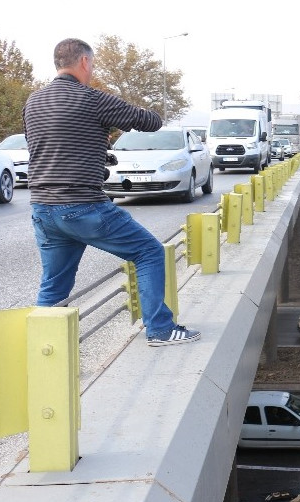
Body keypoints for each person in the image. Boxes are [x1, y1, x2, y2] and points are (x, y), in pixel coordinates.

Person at [24, 38, 200, 346]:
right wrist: (113, 117)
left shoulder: (33, 102)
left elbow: (49, 145)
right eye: (91, 65)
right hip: (82, 205)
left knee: (54, 285)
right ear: (84, 63)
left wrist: (93, 145)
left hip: (43, 208)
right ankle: (160, 329)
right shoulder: (91, 98)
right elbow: (150, 122)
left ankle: (43, 350)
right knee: (149, 253)